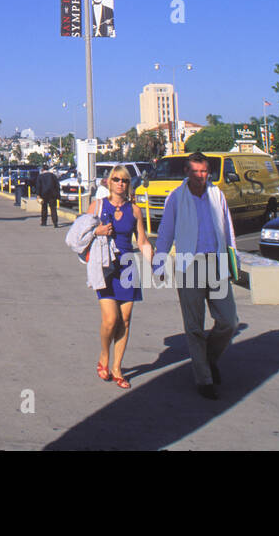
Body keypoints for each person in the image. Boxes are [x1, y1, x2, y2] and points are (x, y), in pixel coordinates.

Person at [153, 151, 238, 400]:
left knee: (229, 320)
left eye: (204, 171)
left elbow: (228, 229)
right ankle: (204, 379)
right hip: (189, 266)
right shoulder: (177, 198)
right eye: (195, 171)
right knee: (194, 327)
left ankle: (209, 359)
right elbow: (166, 231)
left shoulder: (216, 194)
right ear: (186, 172)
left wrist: (234, 260)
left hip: (216, 263)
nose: (200, 176)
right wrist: (159, 264)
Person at [91, 166, 152, 388]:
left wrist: (155, 264)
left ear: (128, 184)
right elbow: (81, 233)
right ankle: (104, 355)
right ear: (108, 182)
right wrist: (96, 232)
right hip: (106, 267)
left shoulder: (135, 211)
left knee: (125, 320)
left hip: (127, 268)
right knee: (110, 319)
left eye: (124, 180)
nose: (120, 184)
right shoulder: (97, 207)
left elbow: (143, 241)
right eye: (116, 179)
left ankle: (117, 367)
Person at [37, 162, 61, 227]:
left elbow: (38, 186)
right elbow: (57, 185)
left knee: (44, 208)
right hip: (52, 195)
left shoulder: (40, 176)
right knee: (53, 209)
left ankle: (44, 222)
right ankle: (55, 223)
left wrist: (38, 195)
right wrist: (58, 195)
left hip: (43, 195)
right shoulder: (53, 176)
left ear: (42, 169)